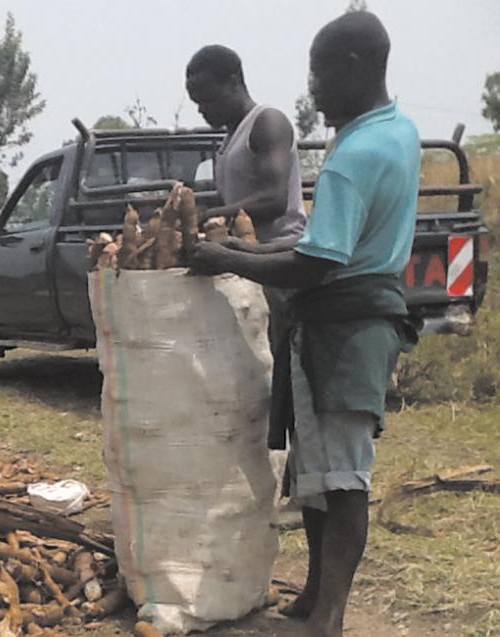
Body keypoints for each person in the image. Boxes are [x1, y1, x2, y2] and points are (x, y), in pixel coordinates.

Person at [189, 11, 420, 637]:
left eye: (318, 75)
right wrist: (235, 255)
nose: (310, 89)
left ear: (351, 68)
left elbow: (317, 260)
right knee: (315, 472)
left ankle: (330, 616)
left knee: (342, 477)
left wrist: (229, 258)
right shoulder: (395, 130)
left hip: (345, 326)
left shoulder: (354, 155)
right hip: (345, 317)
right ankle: (316, 595)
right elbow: (322, 241)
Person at [185, 44, 306, 352]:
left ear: (234, 82)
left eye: (207, 98)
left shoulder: (267, 123)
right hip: (245, 264)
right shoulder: (228, 141)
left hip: (278, 264)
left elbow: (274, 200)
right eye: (196, 102)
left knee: (282, 361)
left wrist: (211, 216)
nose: (202, 109)